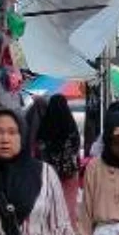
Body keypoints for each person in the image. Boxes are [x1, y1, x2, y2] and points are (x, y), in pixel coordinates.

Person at [37, 94, 82, 225]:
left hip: (49, 172)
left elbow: (40, 147)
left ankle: (52, 230)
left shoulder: (45, 126)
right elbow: (76, 146)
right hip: (70, 171)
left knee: (50, 204)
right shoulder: (70, 126)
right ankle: (68, 234)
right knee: (69, 205)